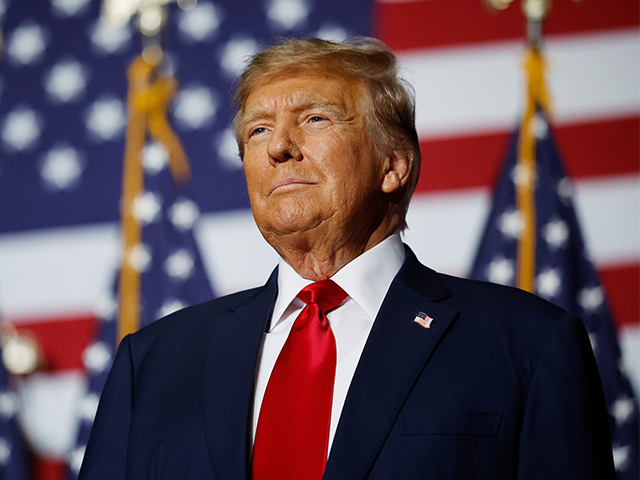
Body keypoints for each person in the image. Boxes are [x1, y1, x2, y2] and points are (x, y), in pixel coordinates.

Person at [78, 37, 615, 480]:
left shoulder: (527, 344)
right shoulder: (150, 363)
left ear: (394, 165)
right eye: (257, 130)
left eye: (314, 119)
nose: (278, 147)